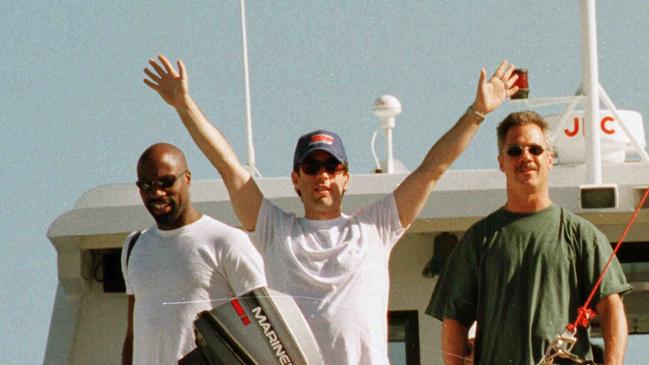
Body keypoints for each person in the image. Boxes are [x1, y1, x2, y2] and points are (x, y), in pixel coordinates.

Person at [143, 54, 520, 364]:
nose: (322, 175)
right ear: (296, 179)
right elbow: (227, 166)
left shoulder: (377, 226)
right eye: (312, 167)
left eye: (332, 167)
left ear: (346, 178)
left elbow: (431, 169)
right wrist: (183, 104)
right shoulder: (274, 229)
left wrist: (478, 111)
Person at [426, 111, 631, 365]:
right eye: (515, 151)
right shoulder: (478, 239)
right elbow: (454, 320)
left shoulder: (582, 235)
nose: (526, 157)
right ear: (501, 161)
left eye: (535, 149)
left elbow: (611, 308)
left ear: (550, 158)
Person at [121, 143, 266, 365]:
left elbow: (264, 327)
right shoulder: (134, 246)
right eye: (146, 185)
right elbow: (133, 333)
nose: (156, 193)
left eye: (166, 182)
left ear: (187, 178)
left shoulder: (226, 241)